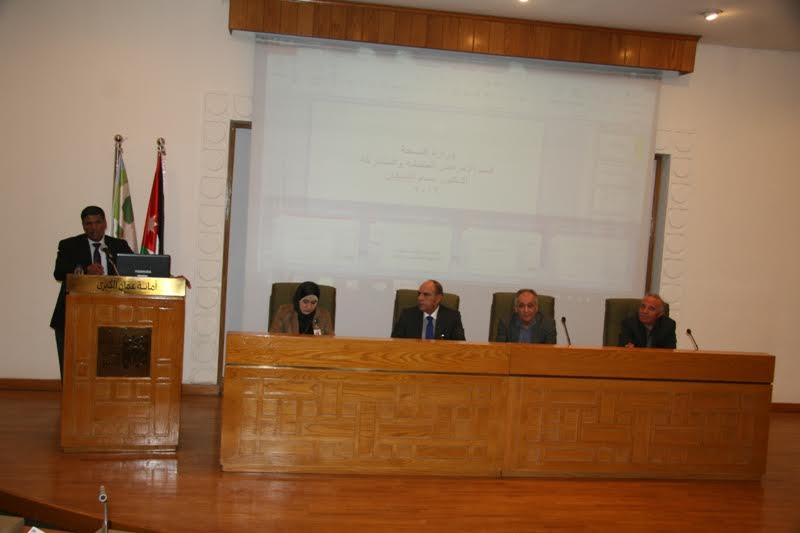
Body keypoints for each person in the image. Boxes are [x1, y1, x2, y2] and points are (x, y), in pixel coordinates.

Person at [50, 206, 134, 379]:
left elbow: (137, 269)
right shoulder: (69, 245)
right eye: (88, 223)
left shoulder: (118, 245)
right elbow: (59, 272)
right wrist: (85, 269)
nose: (93, 227)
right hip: (74, 314)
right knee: (72, 366)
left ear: (105, 223)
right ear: (83, 225)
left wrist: (169, 276)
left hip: (111, 314)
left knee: (106, 365)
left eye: (97, 222)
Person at [391, 279, 465, 340]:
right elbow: (395, 343)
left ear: (438, 298)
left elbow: (460, 346)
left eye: (426, 294)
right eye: (419, 294)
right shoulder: (407, 315)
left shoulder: (452, 317)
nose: (420, 298)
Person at [269, 281, 334, 335]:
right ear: (298, 299)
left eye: (313, 302)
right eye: (305, 302)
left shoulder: (324, 315)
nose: (309, 306)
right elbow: (274, 339)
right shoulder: (284, 312)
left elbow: (330, 341)